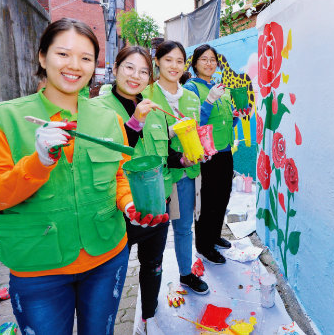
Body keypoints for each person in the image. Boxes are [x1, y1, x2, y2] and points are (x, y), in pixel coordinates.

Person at [0, 18, 163, 335]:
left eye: (86, 58)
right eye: (63, 54)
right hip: (38, 267)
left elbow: (118, 178)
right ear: (42, 57)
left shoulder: (108, 118)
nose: (75, 66)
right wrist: (39, 161)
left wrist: (129, 206)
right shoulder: (1, 118)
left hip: (107, 258)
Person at [95, 45, 207, 333]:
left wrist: (182, 159)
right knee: (111, 273)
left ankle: (149, 316)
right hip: (118, 207)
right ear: (115, 67)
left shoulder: (149, 103)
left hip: (157, 201)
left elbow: (160, 151)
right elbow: (107, 158)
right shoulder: (98, 108)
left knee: (153, 263)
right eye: (129, 68)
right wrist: (135, 123)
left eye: (143, 71)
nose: (136, 76)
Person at [142, 41, 210, 294]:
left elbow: (198, 133)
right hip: (157, 178)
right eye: (168, 60)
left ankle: (185, 274)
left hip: (185, 175)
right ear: (157, 61)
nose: (174, 66)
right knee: (154, 235)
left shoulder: (191, 98)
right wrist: (168, 133)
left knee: (183, 229)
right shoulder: (146, 95)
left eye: (179, 61)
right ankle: (151, 286)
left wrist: (203, 149)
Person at [184, 44, 248, 264]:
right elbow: (193, 123)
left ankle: (214, 235)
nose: (209, 63)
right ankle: (203, 245)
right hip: (206, 154)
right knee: (207, 201)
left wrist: (235, 116)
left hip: (224, 151)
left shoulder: (219, 87)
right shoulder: (191, 88)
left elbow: (225, 123)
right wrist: (209, 100)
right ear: (194, 64)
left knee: (223, 196)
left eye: (213, 59)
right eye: (204, 59)